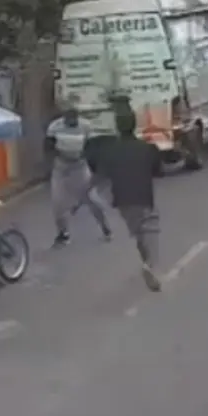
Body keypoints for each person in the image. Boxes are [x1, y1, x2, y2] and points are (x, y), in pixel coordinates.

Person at [96, 109, 163, 292]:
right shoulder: (147, 148)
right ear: (134, 125)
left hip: (122, 203)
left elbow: (101, 175)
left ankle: (146, 262)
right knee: (150, 231)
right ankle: (150, 266)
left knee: (138, 233)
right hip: (143, 198)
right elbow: (158, 171)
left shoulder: (109, 151)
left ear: (117, 127)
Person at [45, 105, 112, 246]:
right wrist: (52, 161)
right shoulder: (55, 127)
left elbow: (91, 147)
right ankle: (63, 233)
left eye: (74, 119)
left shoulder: (85, 126)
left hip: (79, 167)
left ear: (77, 117)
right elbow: (48, 147)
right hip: (61, 167)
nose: (72, 122)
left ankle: (105, 227)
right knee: (58, 202)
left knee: (92, 198)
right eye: (69, 119)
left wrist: (91, 164)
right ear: (64, 117)